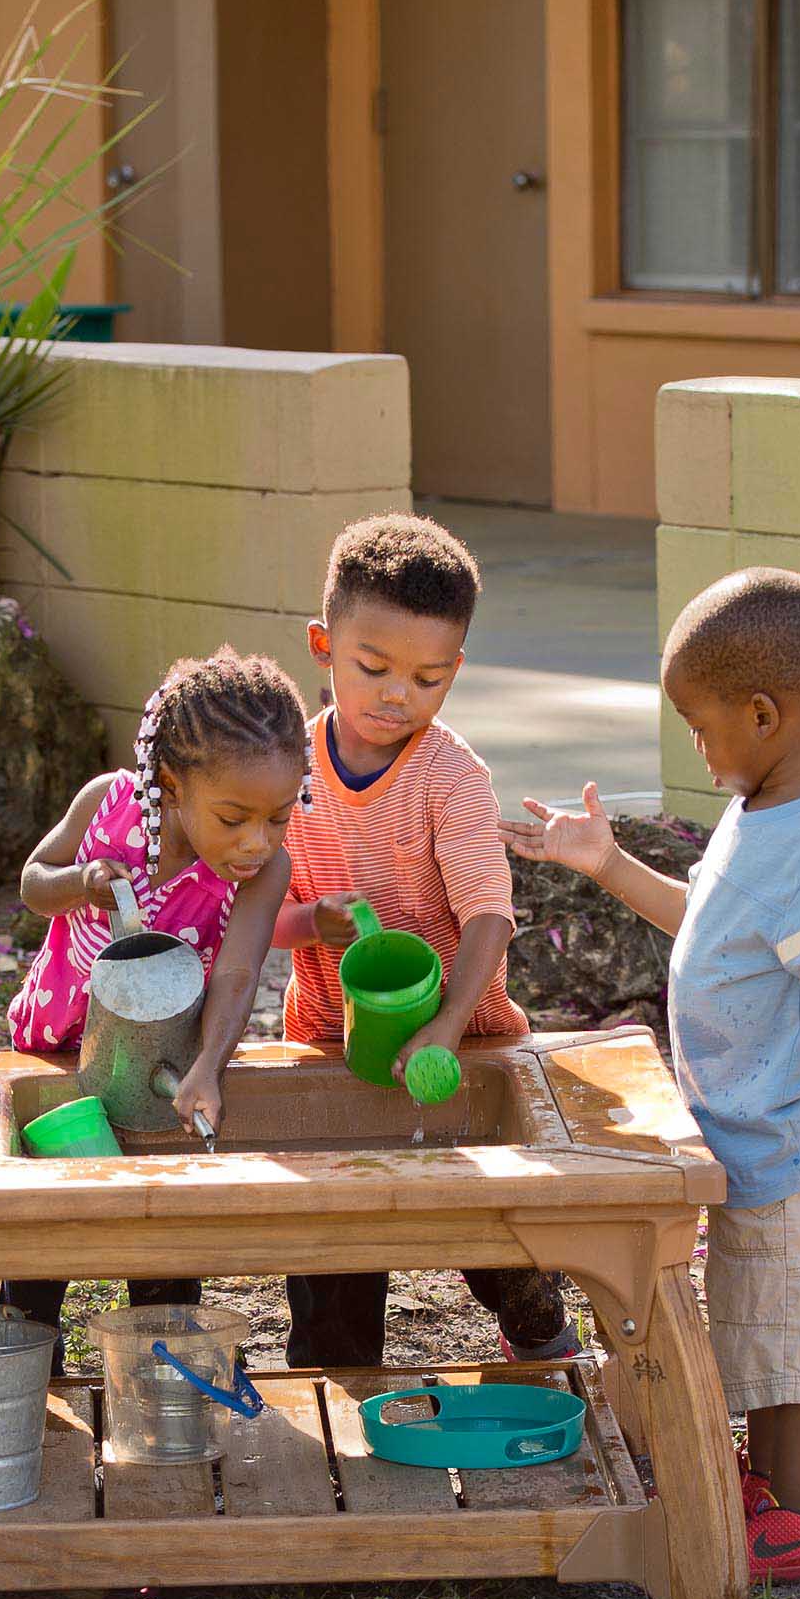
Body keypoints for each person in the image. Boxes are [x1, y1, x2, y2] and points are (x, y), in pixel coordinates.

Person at [503, 567, 800, 1582]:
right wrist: (607, 865)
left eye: (702, 724)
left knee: (798, 1336)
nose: (697, 745)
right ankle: (766, 1491)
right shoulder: (765, 810)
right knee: (758, 1323)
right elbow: (716, 928)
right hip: (759, 1136)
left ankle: (796, 1525)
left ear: (764, 714)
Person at [272, 512, 577, 1371]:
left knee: (490, 1234)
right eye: (373, 668)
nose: (397, 694)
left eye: (429, 678)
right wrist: (311, 924)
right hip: (329, 1041)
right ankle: (336, 1385)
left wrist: (445, 1023)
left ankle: (541, 1337)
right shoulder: (286, 772)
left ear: (457, 673)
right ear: (323, 645)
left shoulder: (452, 777)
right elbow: (262, 918)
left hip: (465, 1043)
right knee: (333, 1244)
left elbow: (488, 913)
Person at [3, 648, 307, 1348]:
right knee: (46, 1242)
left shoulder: (260, 873)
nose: (257, 841)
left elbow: (237, 972)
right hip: (58, 1058)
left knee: (164, 1248)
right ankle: (25, 1371)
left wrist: (208, 1065)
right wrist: (82, 880)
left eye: (279, 818)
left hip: (161, 1072)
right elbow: (33, 881)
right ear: (169, 785)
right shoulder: (105, 802)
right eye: (234, 818)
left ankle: (163, 1377)